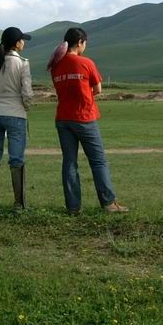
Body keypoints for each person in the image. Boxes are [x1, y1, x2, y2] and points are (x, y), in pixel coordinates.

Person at [49, 28, 129, 215]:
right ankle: (109, 203)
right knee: (98, 160)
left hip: (62, 118)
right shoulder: (85, 62)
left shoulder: (56, 65)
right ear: (80, 43)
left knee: (69, 162)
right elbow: (98, 88)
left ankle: (73, 206)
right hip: (84, 117)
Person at [0, 27, 33, 212]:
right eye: (22, 40)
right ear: (17, 43)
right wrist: (26, 105)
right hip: (16, 114)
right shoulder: (23, 63)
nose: (23, 42)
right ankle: (19, 204)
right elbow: (27, 92)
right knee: (16, 158)